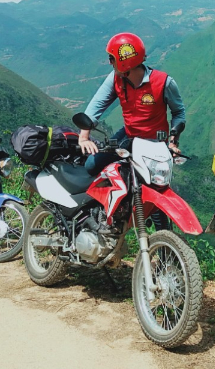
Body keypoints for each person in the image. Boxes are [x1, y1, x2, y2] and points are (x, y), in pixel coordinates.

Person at [78, 33, 186, 228]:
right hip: (129, 135)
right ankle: (108, 211)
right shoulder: (115, 79)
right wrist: (84, 135)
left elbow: (179, 113)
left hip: (155, 142)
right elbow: (97, 104)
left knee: (155, 191)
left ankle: (164, 250)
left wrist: (173, 141)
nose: (110, 63)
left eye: (112, 58)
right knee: (92, 165)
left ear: (124, 62)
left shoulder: (164, 83)